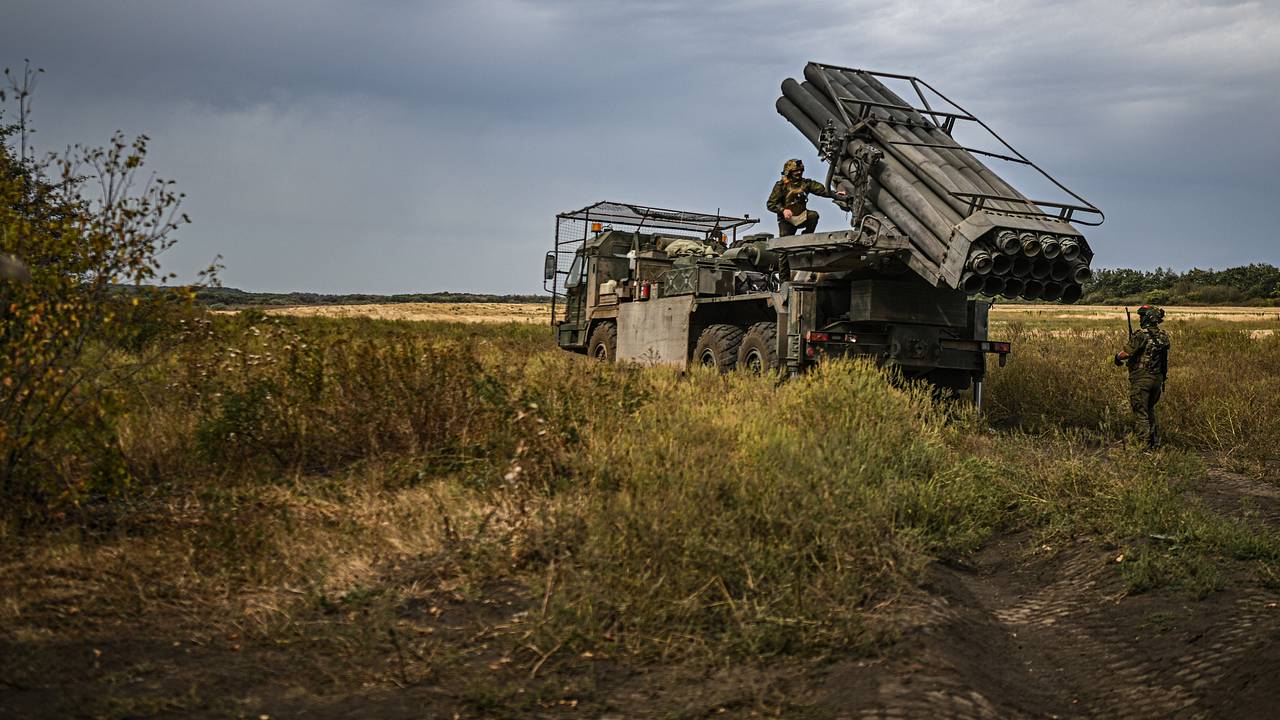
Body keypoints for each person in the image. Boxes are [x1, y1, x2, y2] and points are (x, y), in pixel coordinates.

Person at [1113, 305, 1171, 449]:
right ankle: (1154, 443)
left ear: (1147, 318)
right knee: (1149, 410)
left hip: (1142, 379)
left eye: (1141, 316)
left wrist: (1117, 358)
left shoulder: (1141, 335)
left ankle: (1143, 446)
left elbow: (1126, 353)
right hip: (1158, 379)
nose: (1140, 319)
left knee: (1140, 413)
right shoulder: (1163, 336)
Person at [766, 159, 845, 237]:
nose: (799, 172)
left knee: (813, 216)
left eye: (800, 170)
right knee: (785, 241)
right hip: (787, 219)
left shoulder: (806, 183)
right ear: (789, 172)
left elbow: (821, 190)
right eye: (796, 171)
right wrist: (783, 210)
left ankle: (807, 236)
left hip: (801, 216)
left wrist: (835, 194)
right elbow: (771, 204)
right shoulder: (781, 186)